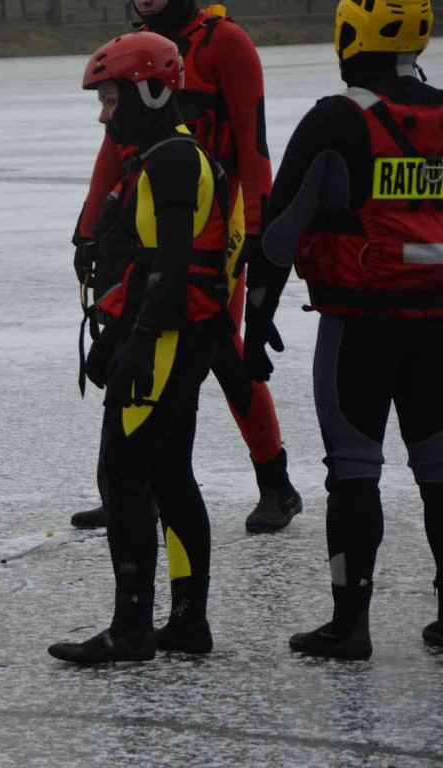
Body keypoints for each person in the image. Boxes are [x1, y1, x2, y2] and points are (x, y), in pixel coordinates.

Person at [245, 0, 443, 660]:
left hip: (359, 326)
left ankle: (348, 625)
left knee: (354, 472)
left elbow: (278, 233)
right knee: (440, 470)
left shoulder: (337, 119)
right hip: (438, 324)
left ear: (348, 35)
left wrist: (258, 316)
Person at [70, 0, 302, 534]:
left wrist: (258, 231)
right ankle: (127, 486)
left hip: (220, 209)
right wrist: (89, 228)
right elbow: (113, 147)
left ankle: (276, 485)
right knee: (128, 333)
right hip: (149, 206)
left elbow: (253, 141)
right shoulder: (139, 46)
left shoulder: (226, 42)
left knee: (223, 348)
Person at [49, 31, 230, 664]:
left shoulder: (172, 160)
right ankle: (186, 623)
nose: (104, 115)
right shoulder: (161, 157)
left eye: (109, 98)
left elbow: (172, 266)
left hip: (166, 340)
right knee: (169, 474)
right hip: (174, 338)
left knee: (123, 474)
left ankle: (131, 631)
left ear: (151, 89)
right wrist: (116, 335)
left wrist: (138, 342)